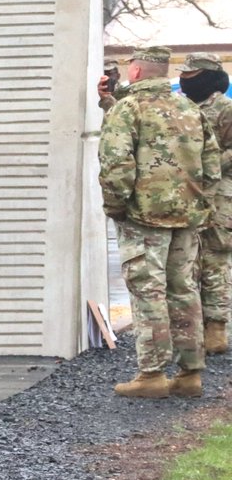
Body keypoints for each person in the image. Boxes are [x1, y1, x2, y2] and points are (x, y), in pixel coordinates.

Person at [99, 45, 221, 398]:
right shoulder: (190, 109)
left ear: (135, 72)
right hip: (188, 217)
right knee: (184, 291)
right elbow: (212, 165)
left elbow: (116, 165)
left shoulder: (128, 109)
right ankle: (189, 374)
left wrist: (115, 207)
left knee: (148, 291)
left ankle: (151, 374)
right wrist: (201, 204)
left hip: (143, 217)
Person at [178, 53, 232, 354]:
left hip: (220, 197)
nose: (185, 80)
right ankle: (193, 329)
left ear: (209, 77)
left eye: (191, 75)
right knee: (188, 264)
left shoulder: (225, 108)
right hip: (189, 197)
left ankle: (217, 329)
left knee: (216, 262)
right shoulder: (184, 107)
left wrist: (208, 167)